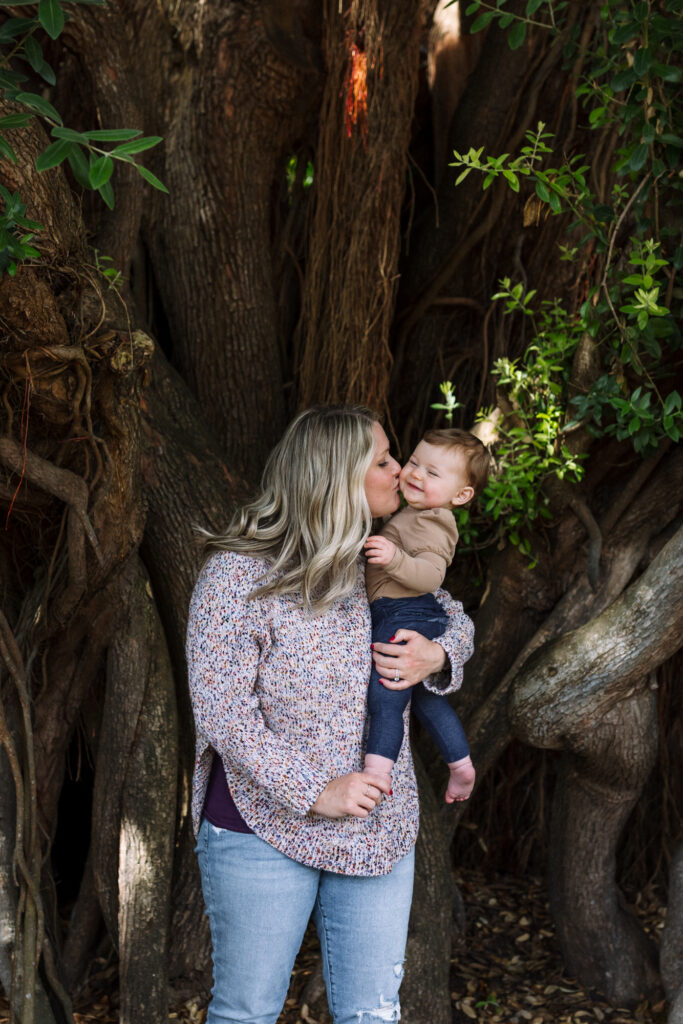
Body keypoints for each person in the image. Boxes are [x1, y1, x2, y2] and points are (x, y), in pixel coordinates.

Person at [186, 406, 475, 1024]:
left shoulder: (377, 557)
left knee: (372, 1013)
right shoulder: (238, 574)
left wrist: (439, 654)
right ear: (338, 475)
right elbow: (222, 712)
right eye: (383, 460)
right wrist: (315, 790)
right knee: (247, 1012)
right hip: (261, 822)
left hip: (375, 828)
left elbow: (451, 615)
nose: (401, 471)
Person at [363, 429, 490, 804]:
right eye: (415, 462)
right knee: (427, 701)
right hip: (404, 612)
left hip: (406, 614)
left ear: (461, 495)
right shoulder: (416, 513)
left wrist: (394, 559)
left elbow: (432, 577)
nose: (416, 474)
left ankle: (376, 774)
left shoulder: (436, 521)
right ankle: (460, 765)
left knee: (386, 696)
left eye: (432, 473)